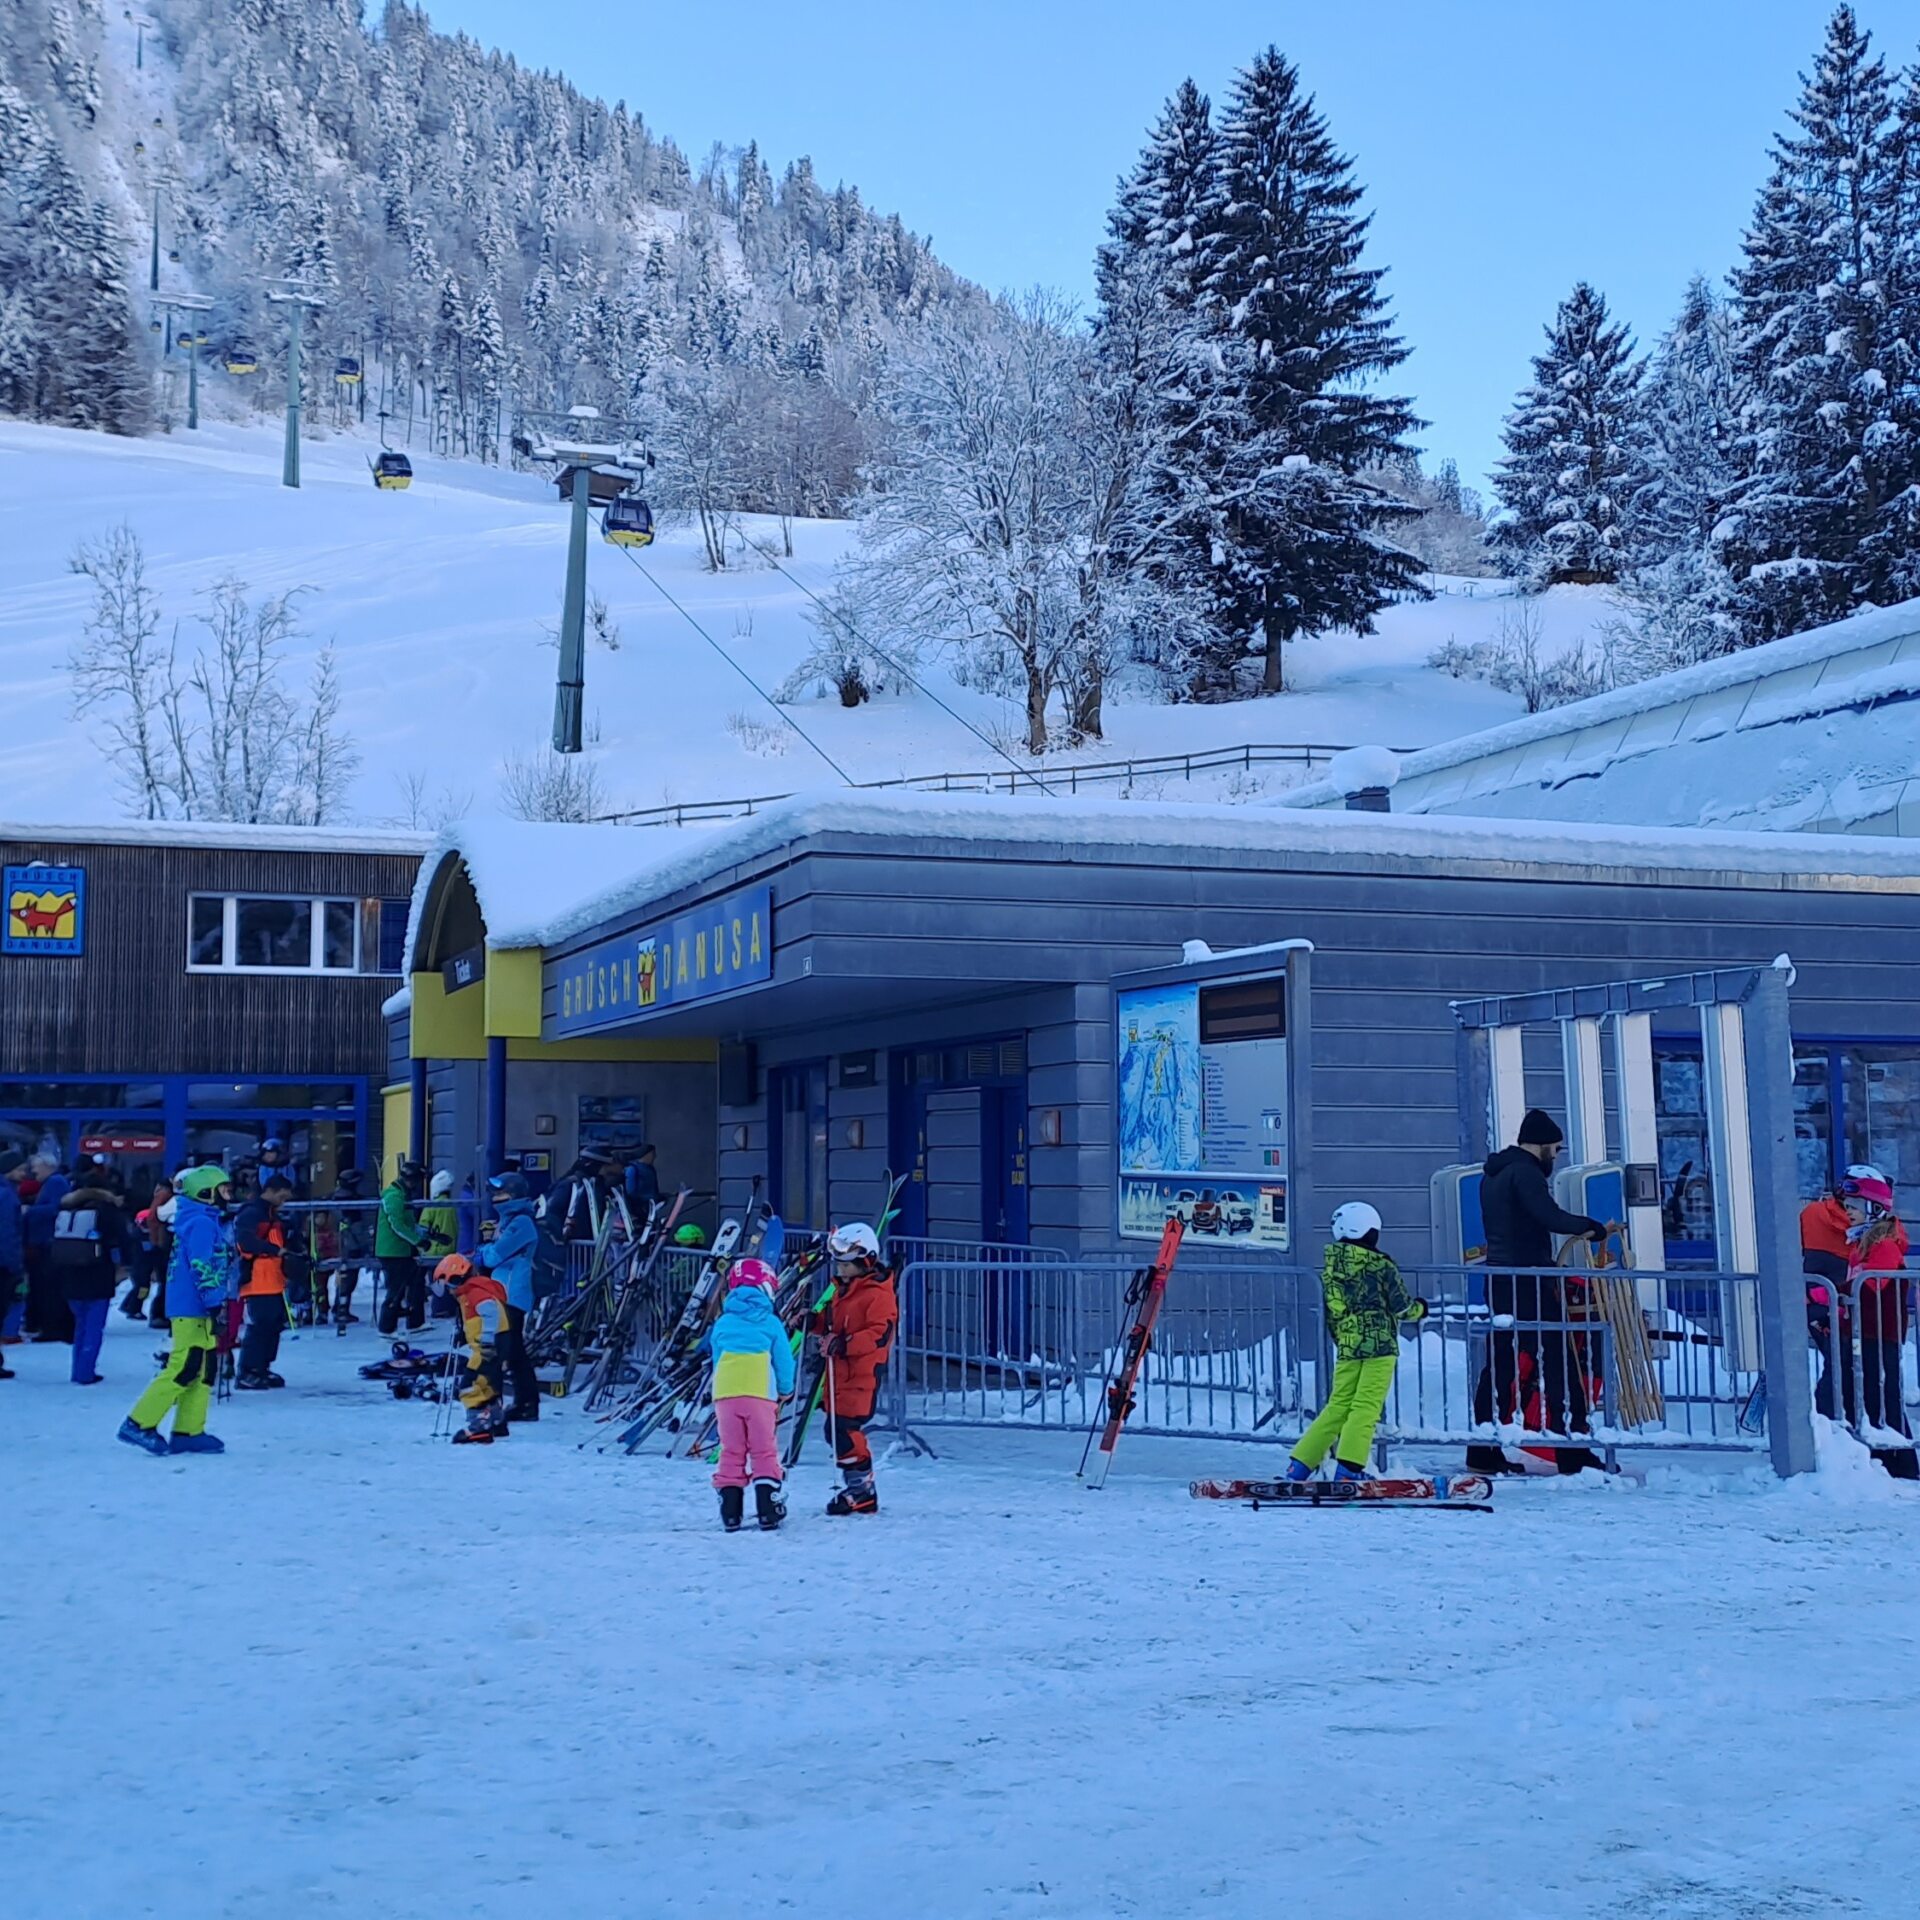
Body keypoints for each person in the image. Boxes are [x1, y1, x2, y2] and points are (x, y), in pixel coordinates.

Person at [1466, 1109, 1608, 1477]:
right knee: (1560, 1358)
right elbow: (1549, 1216)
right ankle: (1570, 1450)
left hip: (1500, 1277)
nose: (1556, 1156)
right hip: (1529, 1279)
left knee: (1500, 1364)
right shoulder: (1526, 1172)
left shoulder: (1493, 1174)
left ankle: (1482, 1448)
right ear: (1542, 1145)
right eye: (1555, 1149)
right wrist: (1590, 1228)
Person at [1286, 1202, 1428, 1481]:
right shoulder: (1381, 1266)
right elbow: (1401, 1308)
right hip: (1380, 1345)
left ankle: (1299, 1465)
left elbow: (1333, 1312)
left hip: (1349, 1344)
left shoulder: (1331, 1268)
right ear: (1369, 1231)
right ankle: (1349, 1471)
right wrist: (1421, 1309)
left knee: (1337, 1405)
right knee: (1366, 1406)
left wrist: (1343, 1340)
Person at [118, 1166, 235, 1456]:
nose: (228, 1195)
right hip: (193, 1306)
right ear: (205, 1193)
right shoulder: (201, 1223)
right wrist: (214, 1303)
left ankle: (189, 1430)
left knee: (204, 1366)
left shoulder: (202, 1220)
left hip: (197, 1304)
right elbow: (203, 1265)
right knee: (185, 1364)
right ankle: (139, 1422)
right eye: (223, 1190)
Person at [811, 1222, 898, 1516]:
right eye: (838, 1264)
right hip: (839, 1374)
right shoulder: (844, 1291)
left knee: (845, 1431)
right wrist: (814, 1323)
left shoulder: (878, 1294)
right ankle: (857, 1487)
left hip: (861, 1375)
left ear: (865, 1262)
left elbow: (879, 1334)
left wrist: (844, 1344)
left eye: (846, 1265)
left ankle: (863, 1491)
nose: (839, 1270)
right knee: (834, 1431)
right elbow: (834, 1323)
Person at [706, 1256, 796, 1531]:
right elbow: (783, 1360)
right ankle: (768, 1508)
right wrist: (786, 1390)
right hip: (759, 1393)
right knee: (763, 1450)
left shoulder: (722, 1323)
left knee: (731, 1450)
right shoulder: (770, 1323)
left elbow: (717, 1357)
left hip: (726, 1394)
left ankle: (731, 1512)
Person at [1843, 1168, 1915, 1480]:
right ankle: (1881, 1460)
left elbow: (1871, 1285)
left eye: (1854, 1207)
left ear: (1873, 1208)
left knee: (1884, 1398)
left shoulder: (1884, 1244)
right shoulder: (1860, 1243)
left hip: (1881, 1333)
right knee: (1868, 1395)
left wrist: (1826, 1293)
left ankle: (1902, 1465)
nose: (1848, 1213)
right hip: (1865, 1332)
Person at [53, 1167, 135, 1385]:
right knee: (93, 1324)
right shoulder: (107, 1210)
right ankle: (85, 1371)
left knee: (80, 1323)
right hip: (98, 1272)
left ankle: (77, 1369)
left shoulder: (66, 1207)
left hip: (69, 1272)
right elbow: (123, 1240)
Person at [476, 1172, 541, 1421]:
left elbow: (494, 1256)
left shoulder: (520, 1223)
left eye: (500, 1193)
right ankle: (525, 1403)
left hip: (514, 1293)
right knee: (514, 1352)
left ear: (514, 1195)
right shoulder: (508, 1221)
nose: (495, 1198)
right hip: (503, 1291)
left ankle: (520, 1403)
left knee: (509, 1350)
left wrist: (483, 1252)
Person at [428, 1254, 511, 1445]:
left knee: (470, 1385)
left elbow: (490, 1314)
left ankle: (478, 1426)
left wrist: (488, 1342)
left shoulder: (475, 1291)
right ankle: (496, 1421)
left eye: (448, 1285)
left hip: (487, 1347)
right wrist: (464, 1336)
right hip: (490, 1344)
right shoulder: (470, 1291)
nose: (448, 1291)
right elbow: (478, 1321)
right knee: (488, 1383)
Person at [233, 1172, 293, 1390]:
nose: (283, 1202)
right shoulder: (253, 1213)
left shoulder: (269, 1214)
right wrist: (276, 1250)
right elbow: (245, 1242)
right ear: (270, 1191)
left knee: (273, 1324)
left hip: (273, 1279)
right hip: (257, 1280)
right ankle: (248, 1371)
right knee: (260, 1326)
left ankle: (262, 1367)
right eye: (282, 1197)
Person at [375, 1159, 430, 1335]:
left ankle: (414, 1321)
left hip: (401, 1250)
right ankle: (386, 1328)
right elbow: (397, 1225)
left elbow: (409, 1223)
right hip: (392, 1251)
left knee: (414, 1283)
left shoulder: (402, 1196)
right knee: (396, 1289)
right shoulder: (394, 1196)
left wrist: (426, 1234)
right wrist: (418, 1241)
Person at [24, 1153, 74, 1342]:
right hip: (45, 1243)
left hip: (48, 1243)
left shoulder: (55, 1183)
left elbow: (57, 1208)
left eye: (36, 1166)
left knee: (49, 1288)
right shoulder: (52, 1183)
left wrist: (30, 1211)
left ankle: (53, 1328)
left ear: (47, 1165)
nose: (33, 1171)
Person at [326, 1167, 373, 1325]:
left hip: (342, 1242)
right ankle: (341, 1310)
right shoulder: (347, 1202)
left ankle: (340, 1308)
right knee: (347, 1278)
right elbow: (356, 1227)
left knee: (345, 1277)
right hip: (348, 1244)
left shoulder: (337, 1198)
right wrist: (365, 1244)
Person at [0, 1149, 26, 1369]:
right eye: (19, 1169)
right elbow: (8, 1233)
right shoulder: (7, 1195)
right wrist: (15, 1265)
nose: (24, 1173)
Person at [625, 1143, 663, 1218]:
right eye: (653, 1154)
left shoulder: (651, 1170)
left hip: (651, 1208)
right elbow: (630, 1191)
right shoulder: (633, 1169)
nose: (654, 1157)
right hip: (639, 1209)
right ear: (646, 1155)